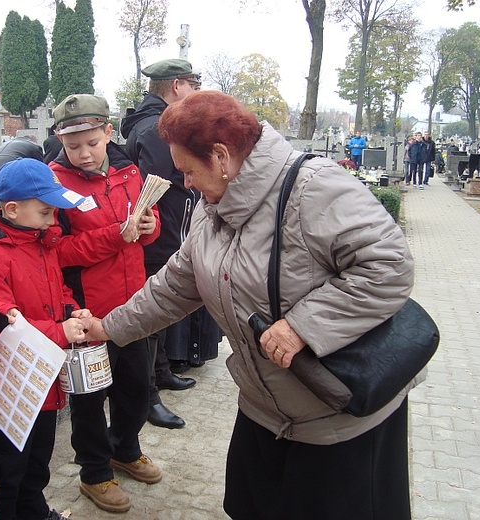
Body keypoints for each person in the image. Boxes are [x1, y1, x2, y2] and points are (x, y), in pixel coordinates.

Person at [84, 91, 417, 520]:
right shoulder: (212, 207)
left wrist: (301, 326)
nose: (184, 182)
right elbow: (173, 286)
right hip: (265, 407)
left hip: (339, 417)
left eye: (187, 169)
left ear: (221, 157)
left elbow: (389, 266)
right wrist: (107, 328)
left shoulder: (314, 189)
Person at [0, 158, 89, 520]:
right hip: (13, 377)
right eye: (47, 212)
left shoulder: (39, 240)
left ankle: (33, 509)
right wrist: (58, 332)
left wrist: (70, 309)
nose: (54, 220)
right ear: (12, 209)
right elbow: (2, 320)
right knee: (9, 461)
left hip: (43, 371)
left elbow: (55, 288)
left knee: (39, 456)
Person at [48, 94, 162, 513]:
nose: (83, 153)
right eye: (73, 144)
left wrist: (149, 226)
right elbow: (56, 251)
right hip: (86, 310)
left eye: (91, 142)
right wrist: (116, 234)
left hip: (131, 306)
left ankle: (125, 448)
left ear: (108, 133)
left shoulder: (129, 170)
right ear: (60, 138)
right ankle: (94, 471)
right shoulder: (54, 183)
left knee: (136, 387)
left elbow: (144, 230)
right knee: (90, 396)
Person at [121, 57, 211, 429]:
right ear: (176, 86)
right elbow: (156, 191)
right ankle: (148, 397)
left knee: (156, 313)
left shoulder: (157, 122)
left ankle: (158, 374)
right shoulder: (157, 128)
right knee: (152, 313)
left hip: (167, 232)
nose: (195, 92)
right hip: (158, 236)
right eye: (193, 84)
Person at [0, 136, 44, 218]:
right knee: (2, 216)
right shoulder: (35, 147)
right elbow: (40, 173)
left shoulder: (6, 144)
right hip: (6, 172)